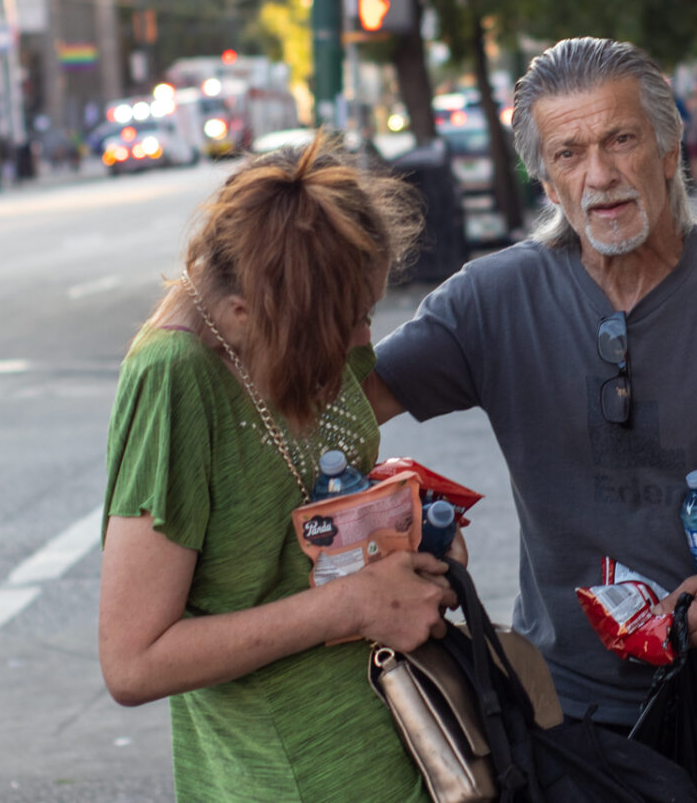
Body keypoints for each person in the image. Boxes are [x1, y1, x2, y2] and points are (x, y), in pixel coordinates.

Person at [365, 37, 697, 801]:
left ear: (670, 147)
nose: (601, 175)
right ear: (545, 180)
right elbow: (343, 406)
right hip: (575, 725)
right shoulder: (490, 301)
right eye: (570, 152)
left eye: (621, 139)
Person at [97, 138, 451, 803]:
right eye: (347, 322)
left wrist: (409, 534)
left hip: (413, 749)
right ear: (244, 312)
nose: (361, 345)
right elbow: (132, 660)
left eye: (368, 314)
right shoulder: (175, 380)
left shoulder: (301, 333)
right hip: (284, 778)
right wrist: (351, 604)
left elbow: (307, 521)